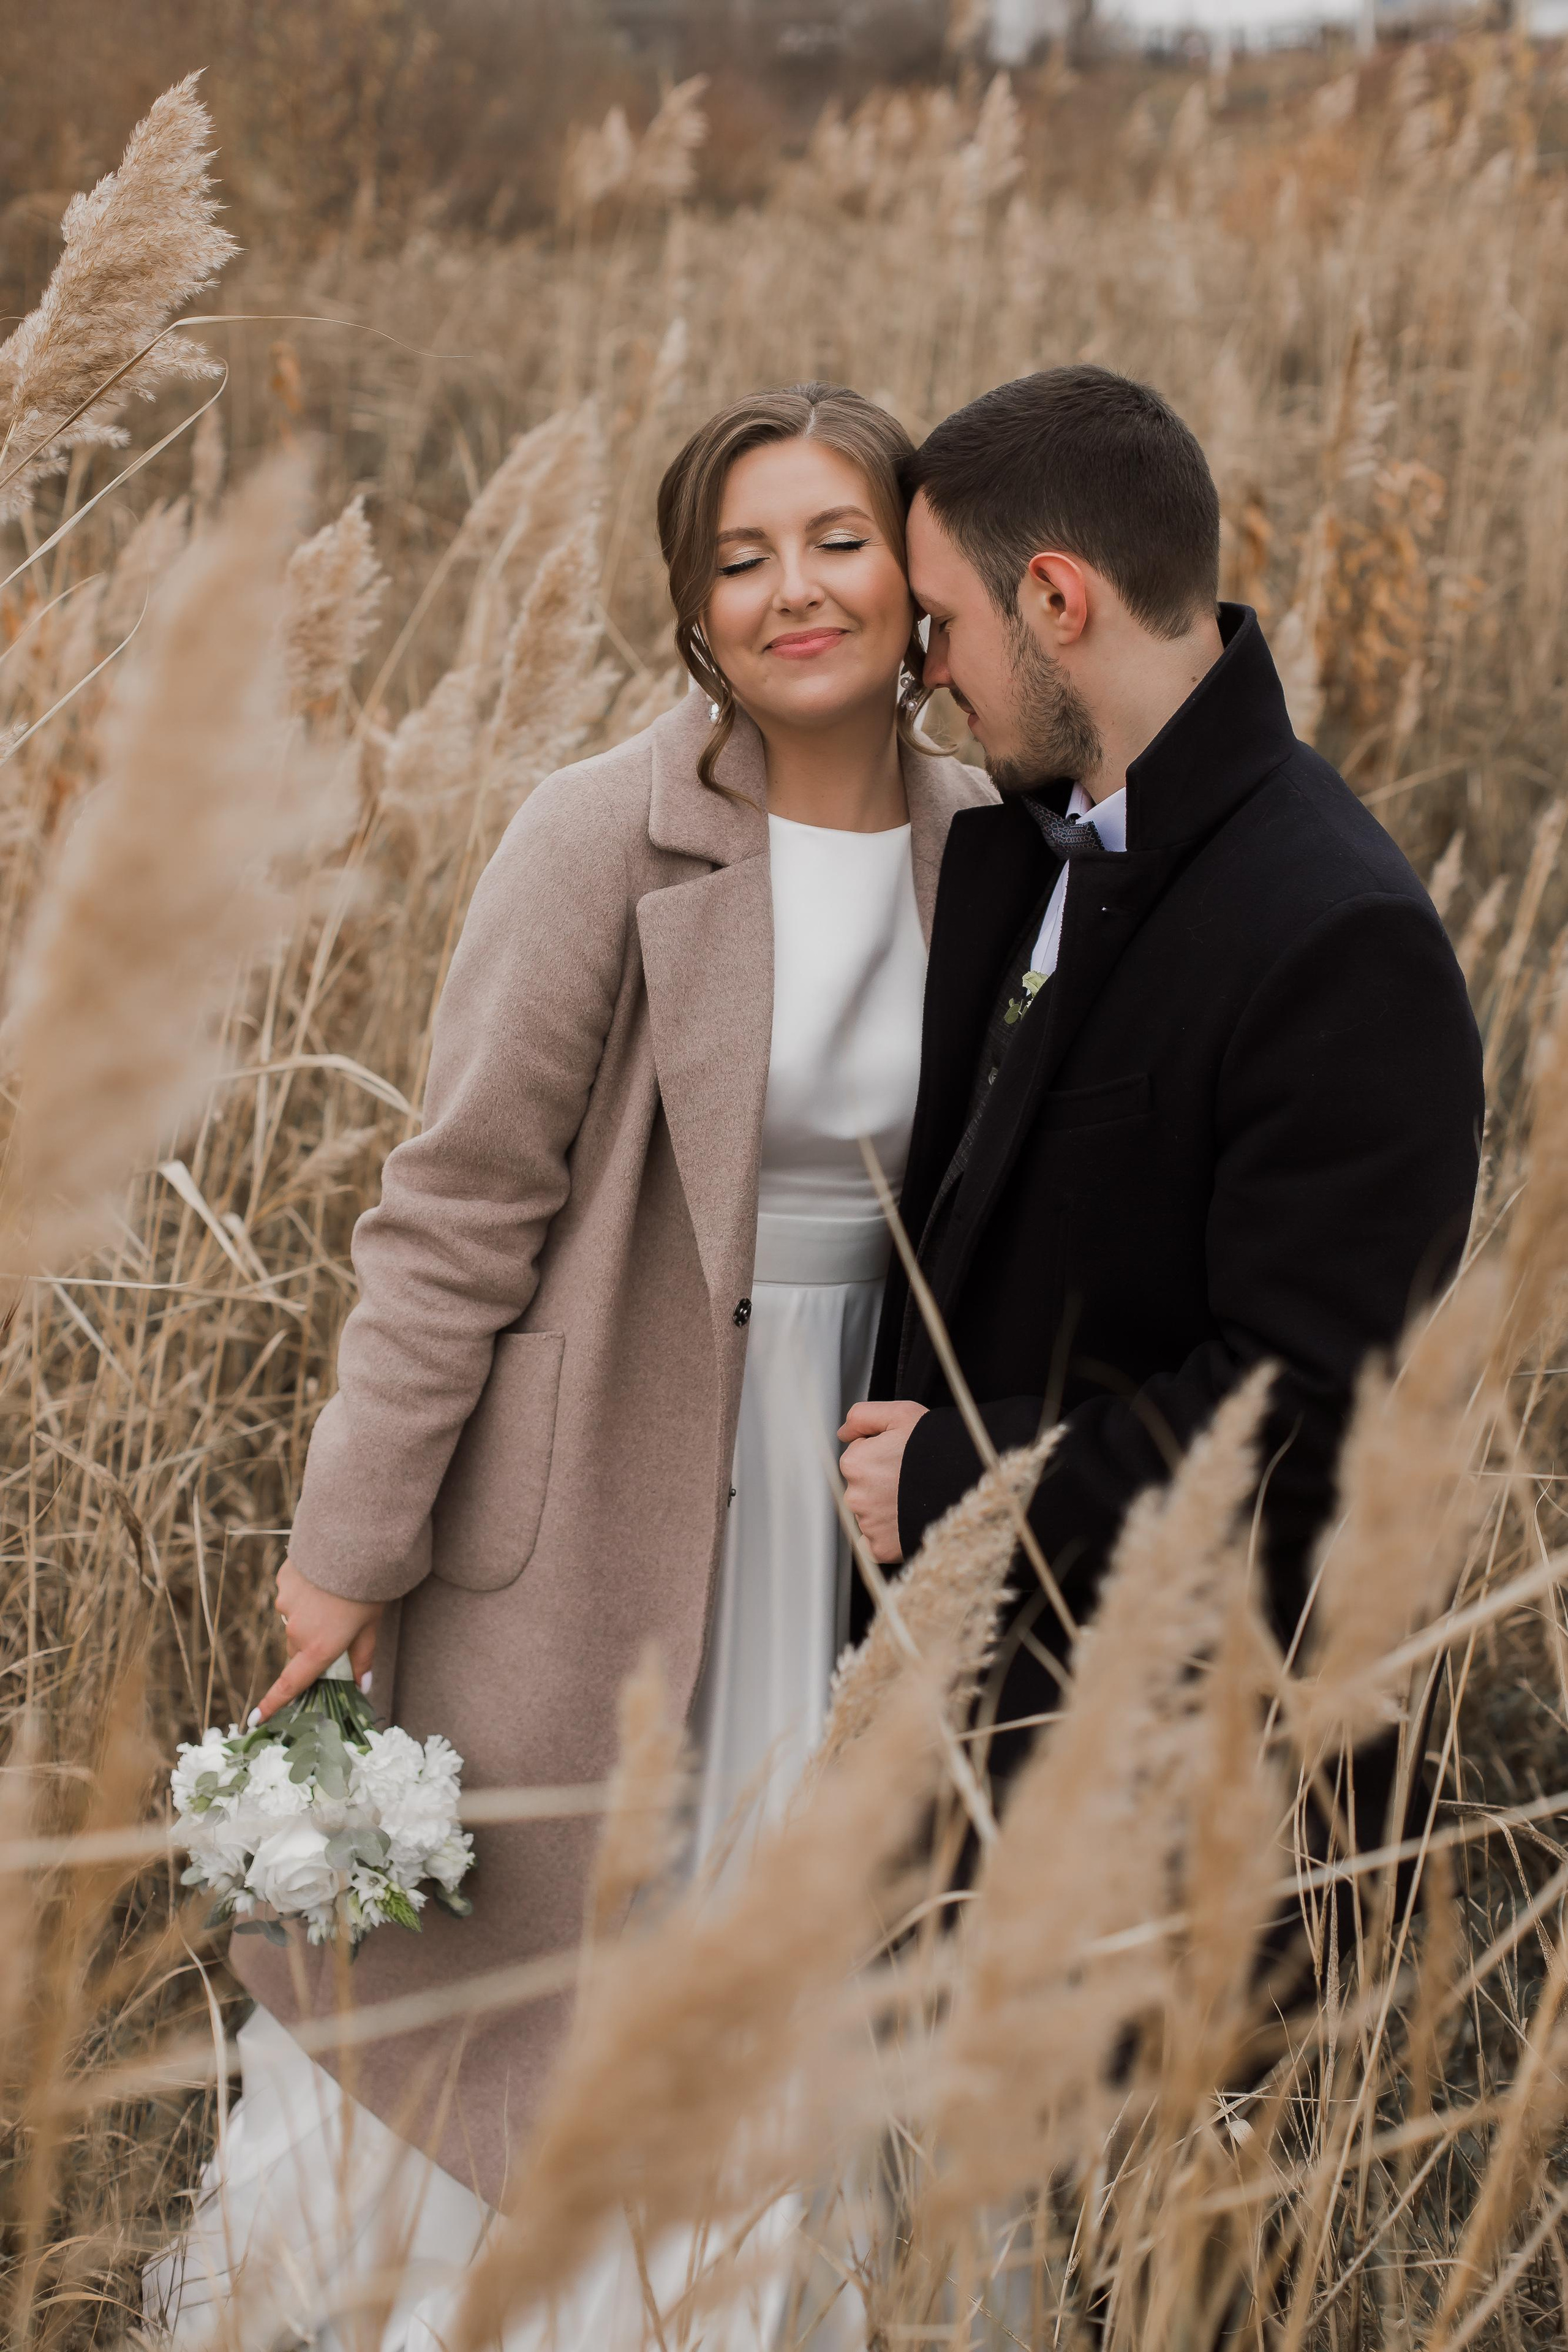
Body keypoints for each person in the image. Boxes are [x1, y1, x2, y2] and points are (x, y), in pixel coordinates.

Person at [144, 383, 992, 2349]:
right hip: (594, 1507)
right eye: (740, 558)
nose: (796, 592)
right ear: (693, 607)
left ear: (916, 568)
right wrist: (351, 1543)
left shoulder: (995, 853)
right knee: (506, 2017)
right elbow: (455, 1211)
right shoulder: (603, 832)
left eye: (837, 541)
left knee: (776, 1989)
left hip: (850, 1528)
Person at [838, 364, 1484, 1831]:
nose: (926, 668)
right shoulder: (1027, 843)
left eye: (941, 624)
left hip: (1167, 1808)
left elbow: (1307, 1417)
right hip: (965, 1744)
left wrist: (966, 1480)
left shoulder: (1335, 935)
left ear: (1056, 599)